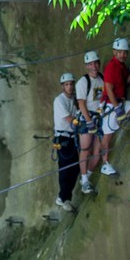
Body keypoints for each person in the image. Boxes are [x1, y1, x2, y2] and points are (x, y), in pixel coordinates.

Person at [75, 50, 110, 193]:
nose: (94, 66)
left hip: (98, 116)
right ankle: (84, 181)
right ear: (86, 66)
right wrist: (89, 122)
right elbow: (81, 104)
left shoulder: (102, 79)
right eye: (90, 64)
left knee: (97, 151)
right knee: (85, 148)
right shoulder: (83, 82)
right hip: (86, 117)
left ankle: (86, 179)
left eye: (96, 63)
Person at [51, 72, 79, 212]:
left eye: (71, 84)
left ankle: (66, 197)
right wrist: (84, 122)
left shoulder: (75, 99)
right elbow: (70, 120)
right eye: (66, 84)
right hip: (62, 138)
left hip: (72, 137)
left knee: (76, 168)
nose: (69, 87)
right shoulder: (59, 100)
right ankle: (62, 197)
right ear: (62, 86)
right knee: (65, 168)